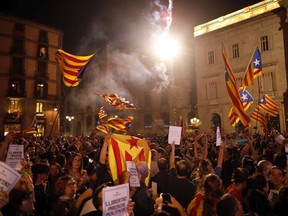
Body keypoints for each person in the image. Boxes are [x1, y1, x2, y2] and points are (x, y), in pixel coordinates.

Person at [168, 143, 196, 214]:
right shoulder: (192, 186)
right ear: (188, 171)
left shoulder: (172, 178)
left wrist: (173, 147)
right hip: (184, 212)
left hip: (172, 211)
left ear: (176, 170)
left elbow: (171, 163)